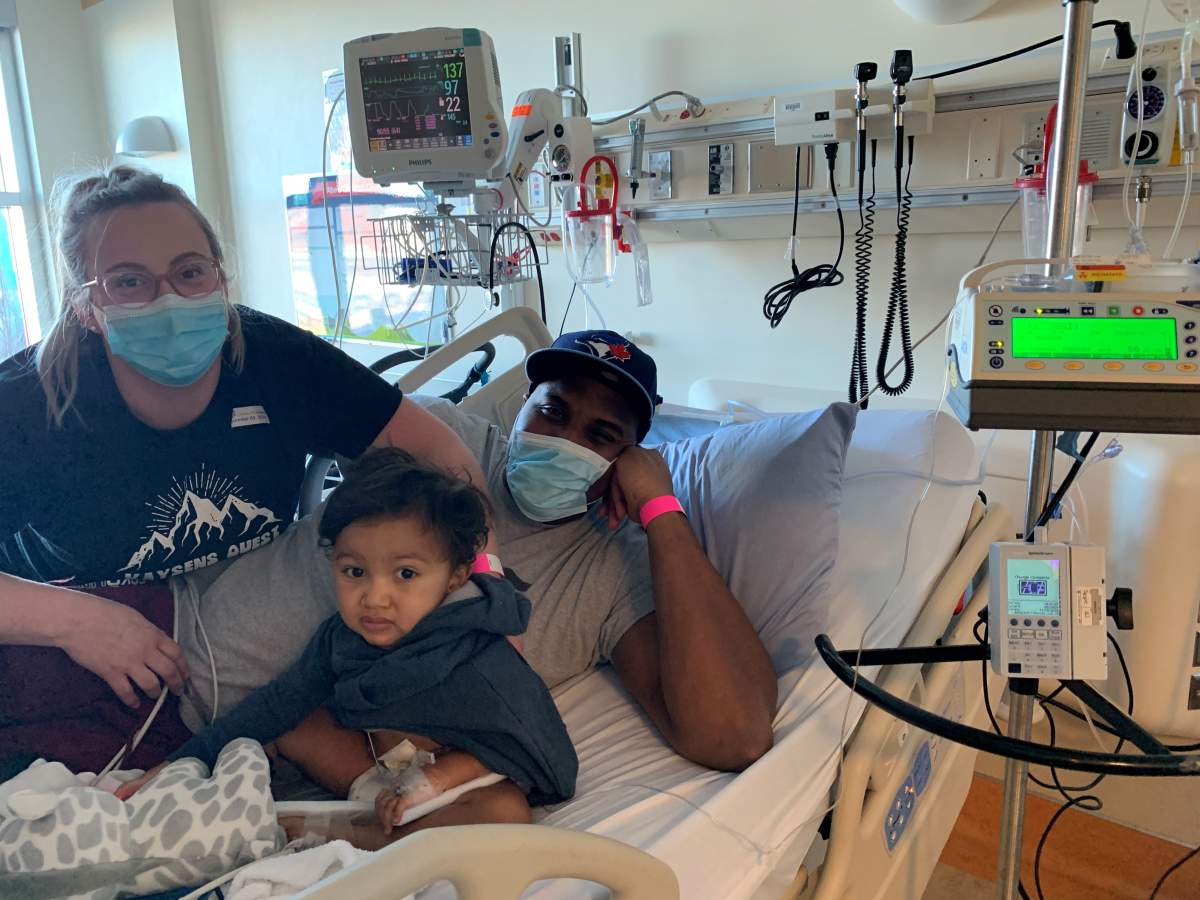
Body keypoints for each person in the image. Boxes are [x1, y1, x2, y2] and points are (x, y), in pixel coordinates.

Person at [0, 167, 497, 770]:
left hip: (243, 613)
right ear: (84, 307)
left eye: (190, 271)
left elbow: (439, 453)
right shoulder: (30, 406)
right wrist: (75, 622)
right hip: (80, 641)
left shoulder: (274, 358)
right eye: (128, 282)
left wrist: (482, 577)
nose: (170, 299)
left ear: (220, 274)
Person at [176, 330, 777, 786]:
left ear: (628, 456)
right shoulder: (432, 439)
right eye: (554, 411)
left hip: (272, 772)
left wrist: (662, 512)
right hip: (168, 665)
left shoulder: (611, 575)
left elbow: (733, 736)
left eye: (601, 436)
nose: (565, 441)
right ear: (520, 406)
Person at [118, 448, 575, 849]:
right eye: (354, 572)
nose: (374, 598)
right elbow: (279, 703)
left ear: (456, 576)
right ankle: (245, 811)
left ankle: (358, 837)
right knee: (279, 724)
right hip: (372, 771)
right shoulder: (342, 638)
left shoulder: (480, 661)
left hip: (454, 787)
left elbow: (540, 756)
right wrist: (179, 766)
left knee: (507, 813)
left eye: (406, 575)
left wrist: (437, 777)